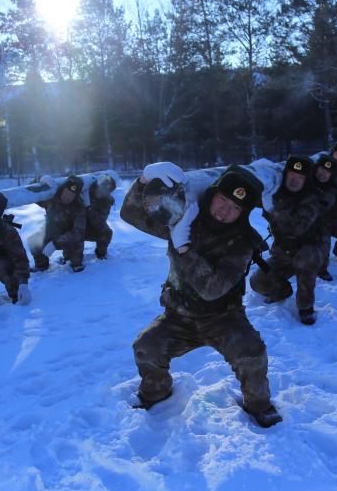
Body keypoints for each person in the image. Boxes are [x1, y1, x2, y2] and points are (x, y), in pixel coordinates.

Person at [121, 162, 282, 428]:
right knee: (146, 347)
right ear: (212, 195)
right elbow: (131, 215)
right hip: (178, 316)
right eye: (222, 200)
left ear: (242, 214)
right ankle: (157, 391)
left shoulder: (242, 241)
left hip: (223, 318)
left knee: (252, 353)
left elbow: (212, 289)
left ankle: (259, 405)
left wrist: (184, 248)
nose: (224, 211)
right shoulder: (185, 219)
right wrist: (143, 180)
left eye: (235, 208)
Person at [249, 156, 330, 325]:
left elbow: (295, 229)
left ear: (306, 180)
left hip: (309, 250)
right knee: (257, 281)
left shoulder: (312, 199)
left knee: (305, 260)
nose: (295, 180)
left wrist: (272, 207)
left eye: (300, 177)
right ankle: (282, 291)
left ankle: (305, 306)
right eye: (292, 175)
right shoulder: (276, 192)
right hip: (283, 252)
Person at [28, 175, 87, 273]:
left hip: (69, 237)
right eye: (66, 192)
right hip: (51, 232)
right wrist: (40, 179)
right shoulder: (51, 198)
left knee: (76, 259)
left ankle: (70, 259)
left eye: (72, 195)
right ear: (62, 189)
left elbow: (78, 233)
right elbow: (31, 192)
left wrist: (55, 244)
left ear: (76, 196)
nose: (67, 197)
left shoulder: (79, 208)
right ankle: (41, 265)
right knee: (33, 241)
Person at [312, 155, 337, 282]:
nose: (323, 174)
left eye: (327, 172)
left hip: (319, 222)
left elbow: (321, 209)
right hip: (298, 219)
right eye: (321, 170)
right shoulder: (305, 180)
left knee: (323, 238)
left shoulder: (330, 190)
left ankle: (322, 269)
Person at [85, 174, 116, 259]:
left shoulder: (106, 202)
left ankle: (101, 256)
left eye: (106, 191)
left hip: (90, 227)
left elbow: (99, 221)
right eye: (102, 188)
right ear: (98, 185)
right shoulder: (86, 191)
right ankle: (68, 257)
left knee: (106, 232)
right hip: (75, 226)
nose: (102, 193)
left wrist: (89, 208)